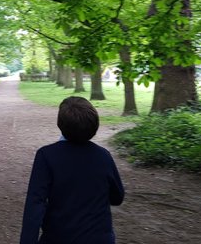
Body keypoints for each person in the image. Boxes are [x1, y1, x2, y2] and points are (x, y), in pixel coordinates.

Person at [20, 96, 124, 244]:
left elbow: (35, 203)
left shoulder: (47, 155)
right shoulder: (103, 155)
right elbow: (117, 197)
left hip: (60, 237)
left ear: (60, 124)